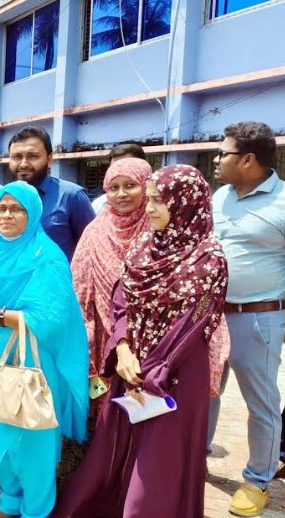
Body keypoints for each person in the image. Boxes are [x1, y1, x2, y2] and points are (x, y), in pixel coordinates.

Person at [54, 165, 229, 518]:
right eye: (149, 200)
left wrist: (156, 368)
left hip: (177, 370)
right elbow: (121, 303)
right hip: (131, 364)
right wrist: (122, 350)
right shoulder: (144, 246)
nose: (150, 209)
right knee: (117, 446)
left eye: (159, 201)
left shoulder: (209, 258)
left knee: (159, 457)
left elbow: (194, 323)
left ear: (185, 203)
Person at [0, 181, 89, 518]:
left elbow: (53, 318)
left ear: (33, 214)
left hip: (30, 362)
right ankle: (9, 503)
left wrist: (1, 317)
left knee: (32, 439)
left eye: (17, 209)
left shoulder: (47, 258)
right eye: (1, 208)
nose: (7, 215)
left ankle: (36, 511)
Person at [206, 121, 285, 517]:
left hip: (258, 318)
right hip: (210, 318)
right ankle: (195, 456)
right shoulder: (220, 197)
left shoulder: (283, 203)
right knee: (205, 393)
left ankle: (257, 480)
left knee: (261, 403)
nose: (217, 159)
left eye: (224, 153)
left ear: (249, 159)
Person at [57, 158, 151, 487]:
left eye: (130, 186)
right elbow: (78, 289)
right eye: (113, 187)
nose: (121, 194)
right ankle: (97, 482)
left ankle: (134, 486)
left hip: (147, 342)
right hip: (98, 340)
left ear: (147, 188)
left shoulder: (158, 231)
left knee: (142, 413)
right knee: (100, 413)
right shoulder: (96, 231)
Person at [7, 126, 95, 260]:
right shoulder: (4, 198)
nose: (23, 164)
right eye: (17, 157)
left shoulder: (71, 196)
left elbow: (92, 249)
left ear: (49, 159)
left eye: (33, 156)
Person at [91, 144, 147, 213]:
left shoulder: (157, 207)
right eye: (114, 168)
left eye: (130, 185)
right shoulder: (99, 206)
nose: (121, 194)